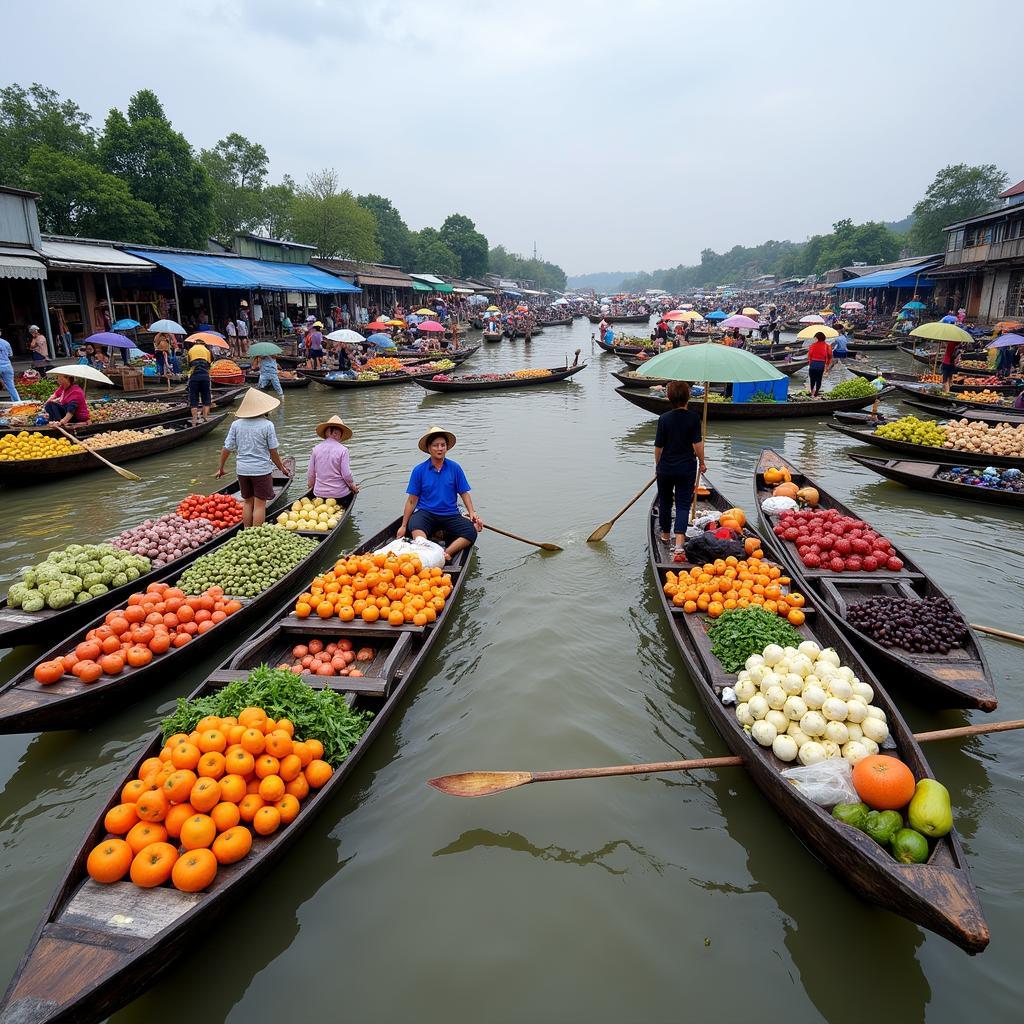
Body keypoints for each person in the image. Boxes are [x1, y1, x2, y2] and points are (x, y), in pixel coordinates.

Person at [397, 425, 482, 564]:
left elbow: (464, 493)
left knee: (471, 531)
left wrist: (472, 513)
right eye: (436, 445)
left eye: (443, 445)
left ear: (447, 448)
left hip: (450, 514)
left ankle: (446, 553)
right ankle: (425, 550)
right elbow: (412, 501)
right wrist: (404, 525)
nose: (440, 448)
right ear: (429, 448)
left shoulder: (455, 468)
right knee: (415, 524)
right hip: (427, 513)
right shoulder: (419, 470)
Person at [216, 388, 290, 527]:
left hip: (242, 470)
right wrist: (282, 468)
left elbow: (226, 448)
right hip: (261, 470)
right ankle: (256, 533)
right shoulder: (267, 425)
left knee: (248, 502)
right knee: (260, 504)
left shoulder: (236, 424)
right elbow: (273, 452)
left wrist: (221, 468)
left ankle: (246, 532)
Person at [654, 381, 706, 555]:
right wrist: (703, 462)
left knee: (665, 502)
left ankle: (665, 535)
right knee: (683, 505)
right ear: (688, 398)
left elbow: (658, 447)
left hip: (666, 468)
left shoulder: (664, 419)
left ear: (669, 397)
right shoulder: (693, 418)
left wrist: (658, 466)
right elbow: (697, 444)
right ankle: (679, 546)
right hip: (686, 468)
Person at [307, 415, 359, 501]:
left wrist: (311, 487)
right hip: (340, 495)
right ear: (336, 434)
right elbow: (346, 475)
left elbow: (310, 474)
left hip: (319, 494)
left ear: (326, 433)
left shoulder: (315, 449)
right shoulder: (343, 450)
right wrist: (353, 486)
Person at [187, 343, 213, 425]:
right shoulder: (207, 351)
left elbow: (189, 364)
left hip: (194, 377)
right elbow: (209, 365)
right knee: (206, 398)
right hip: (205, 377)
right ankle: (205, 417)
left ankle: (194, 419)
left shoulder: (190, 350)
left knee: (193, 398)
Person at [807, 331, 832, 397]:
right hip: (821, 364)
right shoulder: (827, 346)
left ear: (817, 338)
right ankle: (816, 392)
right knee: (819, 379)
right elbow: (829, 356)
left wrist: (810, 363)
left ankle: (812, 392)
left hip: (813, 364)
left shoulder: (812, 345)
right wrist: (827, 366)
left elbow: (809, 355)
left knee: (812, 379)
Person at [0, 333, 19, 401]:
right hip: (7, 365)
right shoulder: (6, 343)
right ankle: (18, 403)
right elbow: (10, 354)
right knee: (11, 386)